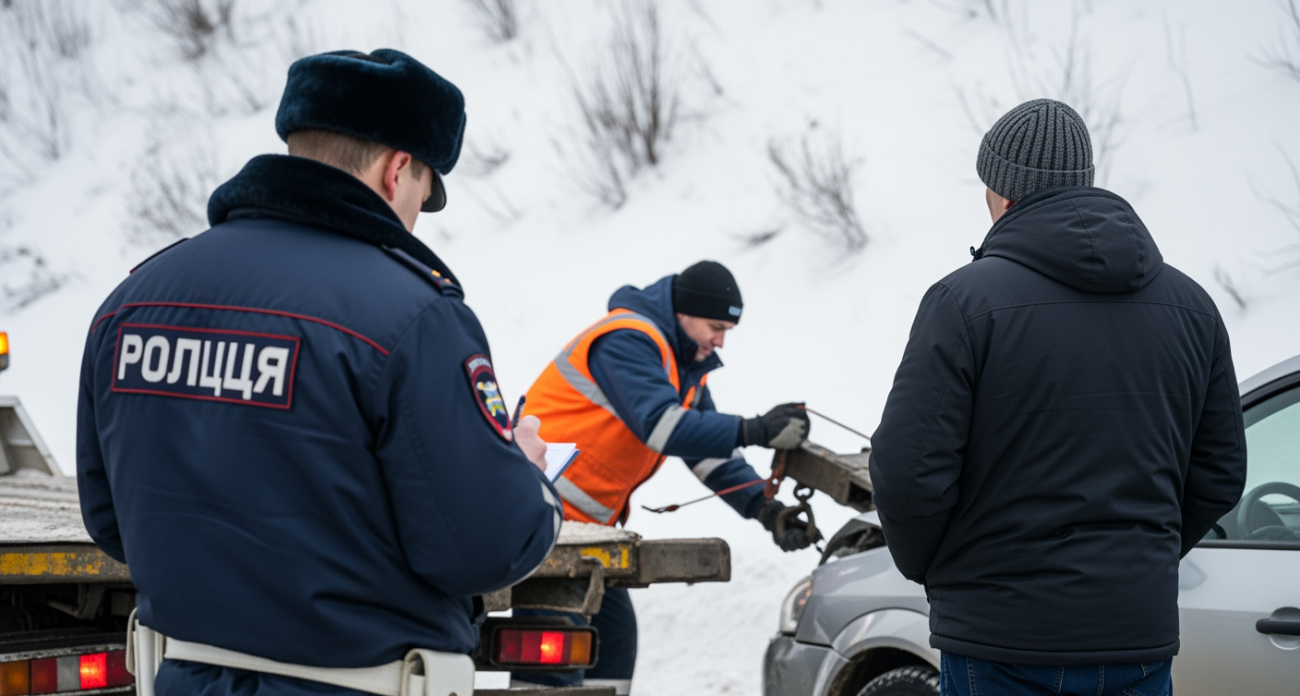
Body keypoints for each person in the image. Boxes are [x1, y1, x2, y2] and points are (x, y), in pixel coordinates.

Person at [76, 49, 563, 696]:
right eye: (422, 194)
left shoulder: (132, 302)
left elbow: (110, 520)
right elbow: (484, 548)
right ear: (397, 170)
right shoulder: (412, 316)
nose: (415, 215)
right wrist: (523, 479)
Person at [869, 98, 1247, 696]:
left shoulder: (964, 303)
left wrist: (938, 569)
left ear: (1002, 193)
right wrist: (1137, 561)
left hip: (1000, 639)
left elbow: (907, 474)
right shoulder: (1192, 307)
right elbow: (1220, 473)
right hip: (1136, 638)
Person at [513, 261, 819, 694]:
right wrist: (755, 429)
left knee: (613, 644)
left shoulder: (681, 364)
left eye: (727, 331)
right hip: (539, 516)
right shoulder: (627, 339)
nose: (720, 340)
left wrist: (765, 508)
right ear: (683, 313)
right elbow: (662, 427)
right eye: (716, 327)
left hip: (583, 531)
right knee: (556, 657)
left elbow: (706, 454)